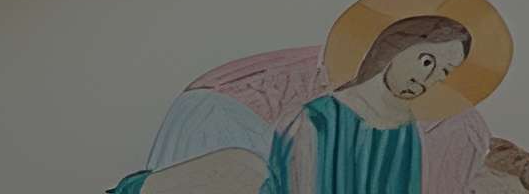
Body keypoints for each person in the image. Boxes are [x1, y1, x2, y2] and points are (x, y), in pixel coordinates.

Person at [115, 16, 476, 194]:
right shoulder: (319, 115)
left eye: (443, 73)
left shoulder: (407, 129)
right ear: (396, 47)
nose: (428, 79)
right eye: (426, 61)